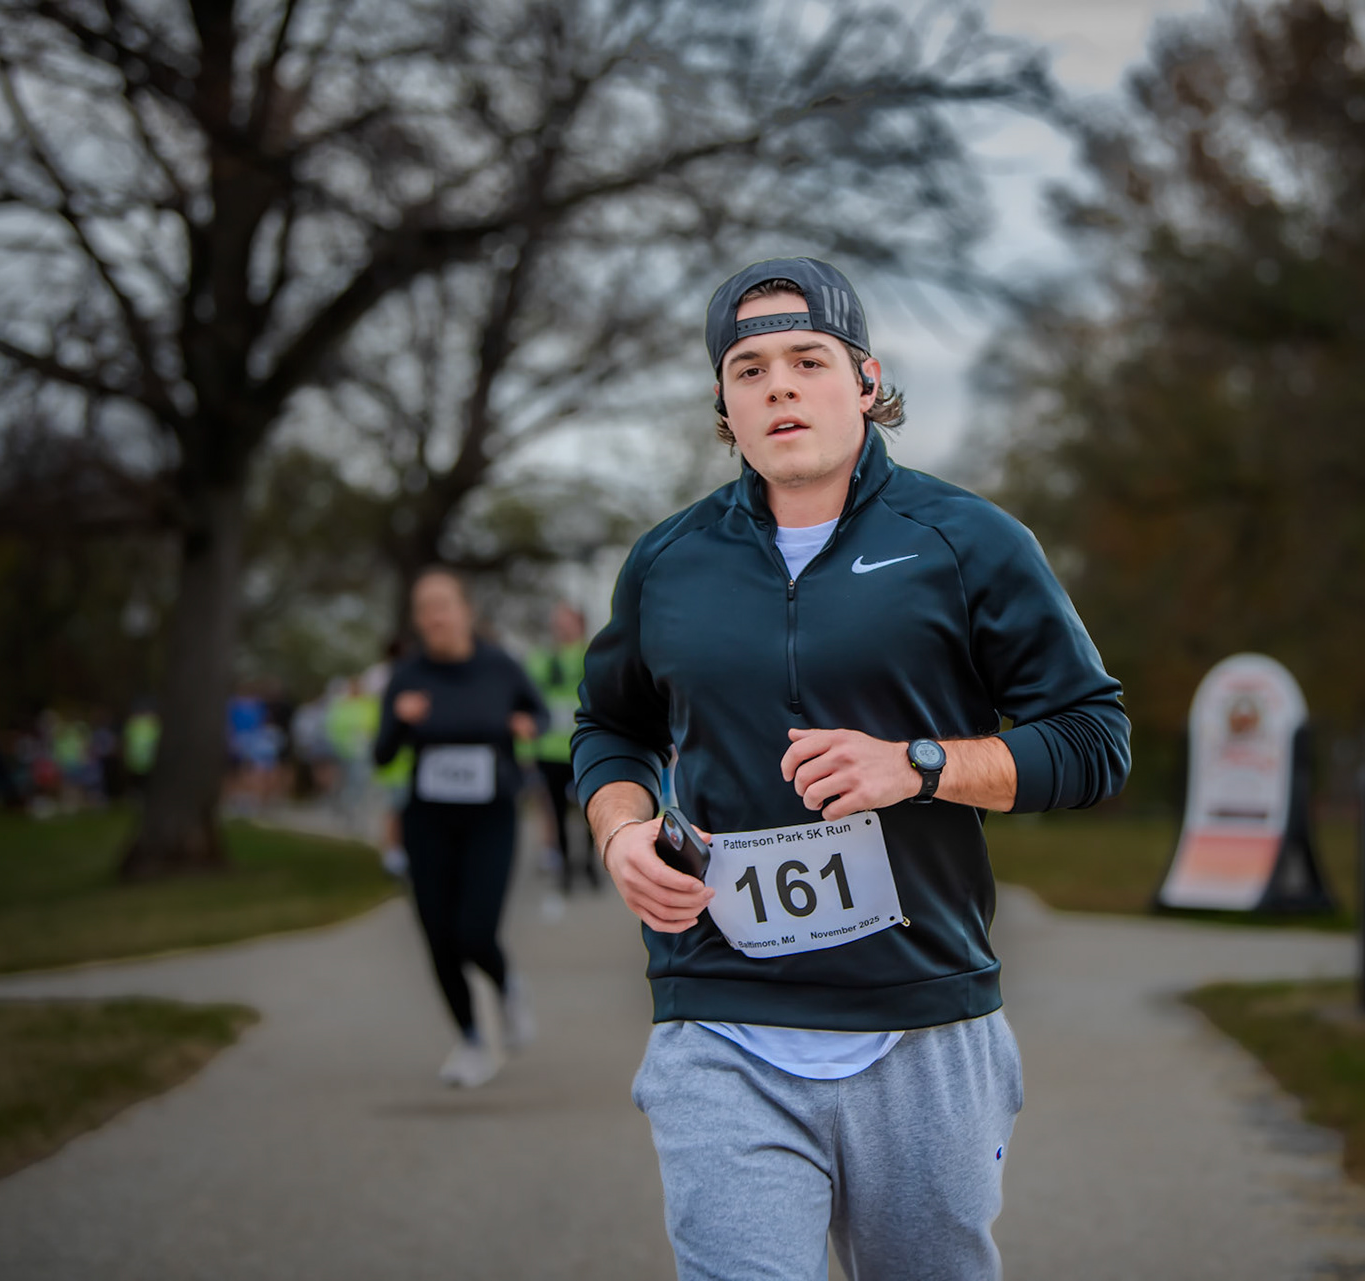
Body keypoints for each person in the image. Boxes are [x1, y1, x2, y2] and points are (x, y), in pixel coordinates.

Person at [572, 257, 1130, 1278]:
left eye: (807, 360)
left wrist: (920, 765)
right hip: (720, 1015)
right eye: (749, 370)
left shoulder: (968, 542)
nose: (778, 387)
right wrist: (620, 831)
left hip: (923, 1015)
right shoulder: (666, 562)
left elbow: (1094, 741)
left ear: (866, 381)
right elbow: (609, 727)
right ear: (724, 405)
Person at [374, 568, 551, 1089]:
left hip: (490, 815)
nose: (434, 617)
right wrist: (401, 720)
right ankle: (472, 1039)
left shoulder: (500, 666)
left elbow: (539, 714)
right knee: (438, 935)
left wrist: (528, 725)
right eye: (424, 608)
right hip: (428, 819)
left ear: (465, 611)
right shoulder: (407, 676)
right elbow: (381, 754)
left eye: (443, 605)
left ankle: (507, 986)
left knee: (474, 930)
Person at [524, 603, 600, 905]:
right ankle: (566, 865)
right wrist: (527, 749)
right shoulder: (541, 659)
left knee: (591, 809)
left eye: (566, 621)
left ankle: (591, 864)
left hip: (585, 746)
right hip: (551, 750)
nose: (560, 627)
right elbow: (529, 700)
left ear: (579, 624)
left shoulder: (593, 655)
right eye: (557, 622)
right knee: (556, 811)